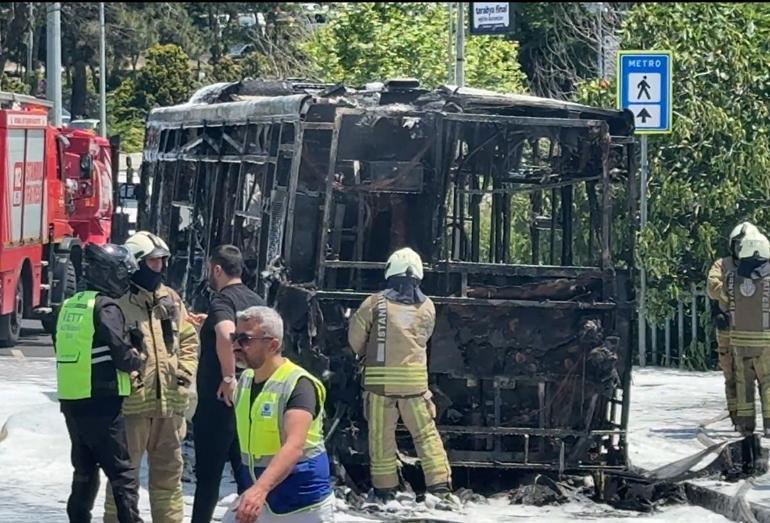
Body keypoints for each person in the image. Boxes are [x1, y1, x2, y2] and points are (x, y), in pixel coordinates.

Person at [103, 231, 199, 523]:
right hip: (132, 408)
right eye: (154, 262)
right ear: (136, 264)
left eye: (163, 262)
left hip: (169, 408)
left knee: (170, 477)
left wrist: (183, 375)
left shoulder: (169, 299)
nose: (161, 268)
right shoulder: (117, 303)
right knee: (124, 475)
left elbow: (188, 340)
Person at [347, 247, 452, 501]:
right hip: (415, 386)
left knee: (381, 437)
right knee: (426, 435)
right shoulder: (428, 306)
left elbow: (355, 341)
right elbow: (425, 338)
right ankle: (440, 488)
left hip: (379, 386)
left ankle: (386, 492)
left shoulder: (374, 303)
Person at [55, 243, 144, 523]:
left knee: (84, 470)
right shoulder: (105, 307)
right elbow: (122, 355)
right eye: (121, 272)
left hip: (72, 401)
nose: (124, 279)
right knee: (122, 474)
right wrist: (138, 358)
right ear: (107, 273)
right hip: (102, 401)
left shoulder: (70, 305)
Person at [223, 306, 333, 523]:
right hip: (258, 499)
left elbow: (294, 446)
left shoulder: (298, 385)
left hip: (301, 506)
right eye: (234, 337)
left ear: (273, 344)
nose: (236, 345)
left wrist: (259, 489)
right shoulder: (245, 380)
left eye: (245, 339)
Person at [189, 245, 266, 523]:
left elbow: (226, 333)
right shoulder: (257, 301)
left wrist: (228, 375)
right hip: (248, 403)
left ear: (217, 269)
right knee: (246, 476)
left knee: (208, 479)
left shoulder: (221, 300)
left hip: (218, 403)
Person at [707, 221, 760, 426]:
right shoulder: (723, 264)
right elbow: (712, 287)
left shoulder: (763, 266)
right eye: (738, 244)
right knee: (732, 377)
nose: (742, 249)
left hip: (757, 330)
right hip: (729, 329)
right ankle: (739, 419)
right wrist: (737, 291)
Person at [725, 228, 770, 437]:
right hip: (766, 344)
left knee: (743, 384)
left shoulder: (731, 279)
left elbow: (725, 300)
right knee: (768, 383)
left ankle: (745, 426)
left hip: (739, 344)